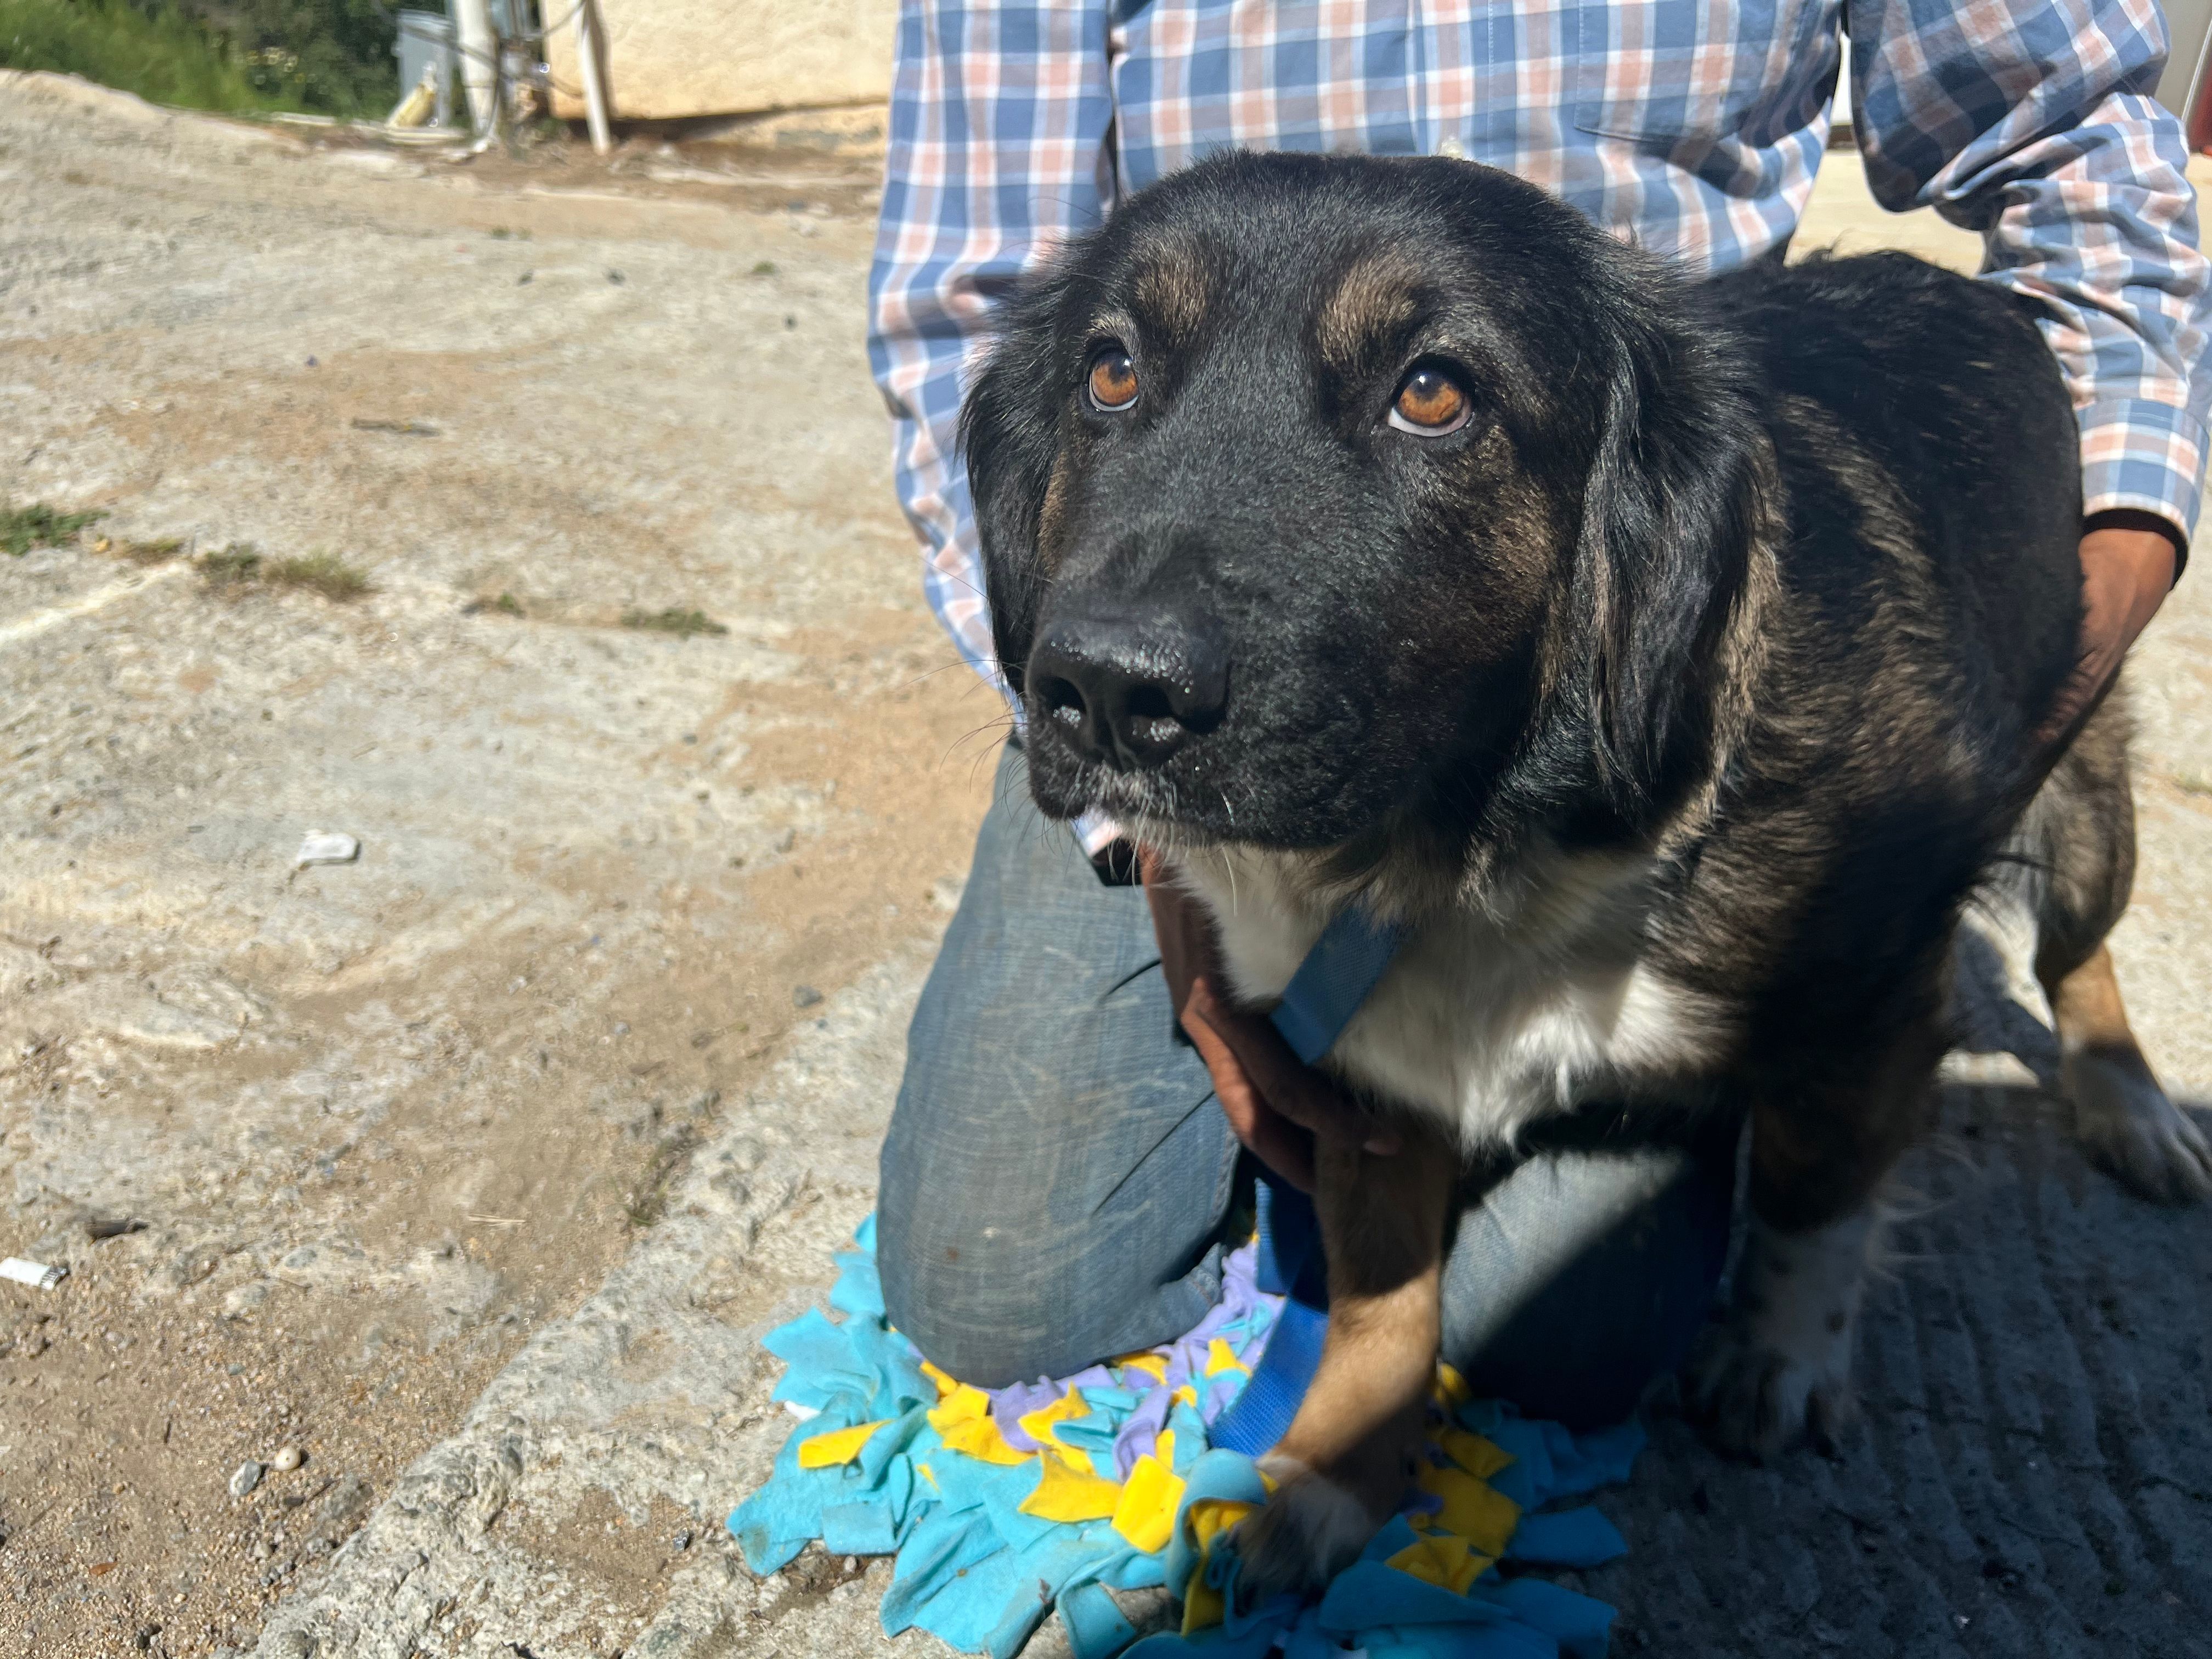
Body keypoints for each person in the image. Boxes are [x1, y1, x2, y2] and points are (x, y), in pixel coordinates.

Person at [862, 0, 2210, 1426]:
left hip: (1642, 575)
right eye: (1120, 372)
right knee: (1001, 1285)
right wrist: (1153, 837)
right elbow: (970, 328)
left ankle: (2090, 1003)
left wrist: (2070, 615)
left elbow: (2085, 163)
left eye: (1428, 390)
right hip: (1203, 641)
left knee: (1559, 1349)